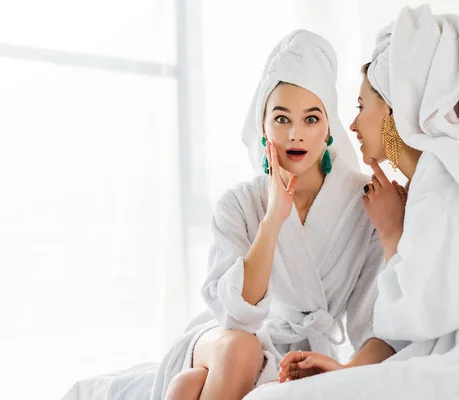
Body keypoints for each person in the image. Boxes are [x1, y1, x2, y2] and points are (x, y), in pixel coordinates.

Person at [248, 5, 459, 400]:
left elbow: (417, 316)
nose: (351, 124)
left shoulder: (447, 185)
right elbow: (410, 325)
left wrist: (390, 232)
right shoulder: (431, 181)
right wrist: (346, 372)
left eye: (362, 106)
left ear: (393, 112)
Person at [150, 29, 396, 400]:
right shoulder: (240, 204)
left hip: (290, 355)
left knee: (187, 387)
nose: (295, 134)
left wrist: (343, 372)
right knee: (241, 349)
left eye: (311, 119)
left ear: (329, 128)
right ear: (262, 126)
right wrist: (273, 218)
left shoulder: (364, 202)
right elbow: (237, 319)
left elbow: (374, 324)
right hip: (226, 341)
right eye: (281, 119)